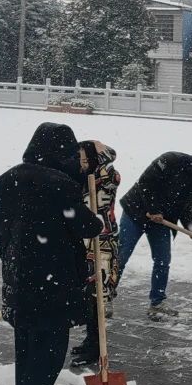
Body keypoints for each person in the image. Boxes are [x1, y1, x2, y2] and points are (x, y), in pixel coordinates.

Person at [0, 122, 101, 385]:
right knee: (49, 350)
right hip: (53, 283)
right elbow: (89, 227)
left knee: (25, 346)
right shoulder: (60, 185)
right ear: (62, 151)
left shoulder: (6, 179)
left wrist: (14, 259)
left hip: (19, 280)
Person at [118, 149, 192, 320]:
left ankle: (157, 303)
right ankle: (104, 297)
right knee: (121, 256)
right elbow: (146, 183)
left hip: (161, 221)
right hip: (136, 212)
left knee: (163, 260)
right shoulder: (171, 160)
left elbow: (186, 209)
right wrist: (153, 209)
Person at [70, 140, 120, 368]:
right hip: (85, 240)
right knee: (87, 292)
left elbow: (110, 162)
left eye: (83, 159)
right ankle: (91, 339)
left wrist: (97, 152)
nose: (79, 163)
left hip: (103, 239)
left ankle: (96, 347)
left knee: (97, 293)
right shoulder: (79, 177)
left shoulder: (107, 176)